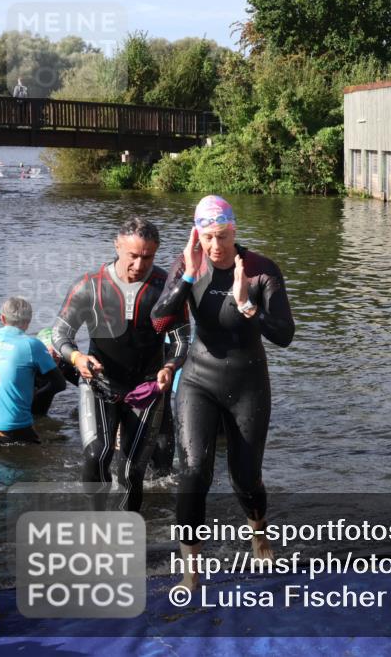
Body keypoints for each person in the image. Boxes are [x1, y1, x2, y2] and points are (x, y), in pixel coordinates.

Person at [153, 195, 293, 589]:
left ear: (234, 230)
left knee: (245, 478)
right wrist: (185, 278)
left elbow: (285, 335)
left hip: (248, 381)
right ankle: (191, 571)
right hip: (198, 379)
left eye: (224, 235)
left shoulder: (261, 270)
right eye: (208, 237)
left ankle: (258, 531)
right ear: (198, 234)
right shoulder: (189, 264)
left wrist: (248, 307)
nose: (216, 246)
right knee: (193, 472)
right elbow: (159, 322)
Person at [53, 217, 189, 512]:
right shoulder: (89, 286)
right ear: (117, 246)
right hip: (99, 385)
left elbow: (181, 341)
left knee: (131, 472)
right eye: (133, 256)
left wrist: (170, 368)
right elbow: (60, 333)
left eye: (147, 257)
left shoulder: (167, 289)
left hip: (147, 389)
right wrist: (77, 357)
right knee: (96, 454)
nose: (139, 265)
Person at [0, 298, 67, 445]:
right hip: (14, 430)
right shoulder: (32, 345)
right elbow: (60, 384)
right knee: (58, 444)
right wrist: (34, 398)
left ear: (2, 318)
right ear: (28, 321)